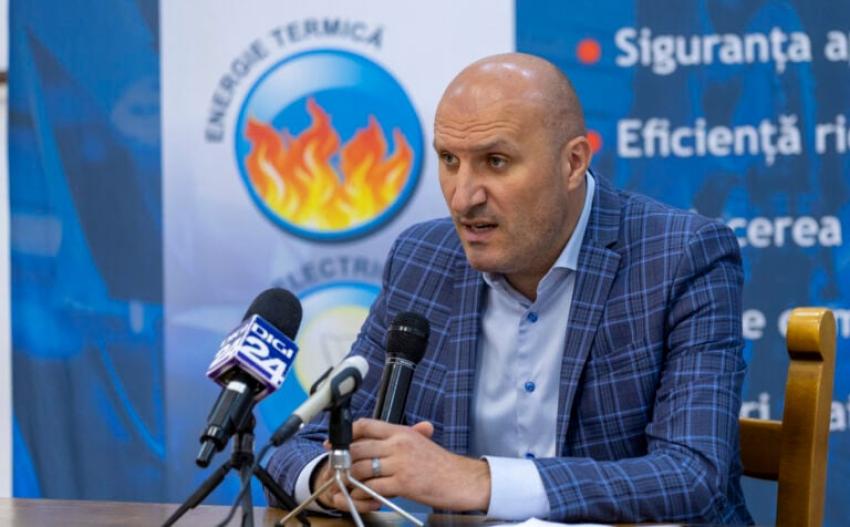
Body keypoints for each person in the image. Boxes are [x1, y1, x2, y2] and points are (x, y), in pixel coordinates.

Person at [267, 52, 753, 524]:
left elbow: (693, 477)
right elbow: (299, 446)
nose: (463, 197)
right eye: (449, 160)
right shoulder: (423, 260)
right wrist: (332, 477)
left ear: (572, 163)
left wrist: (478, 481)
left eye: (495, 161)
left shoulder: (679, 256)